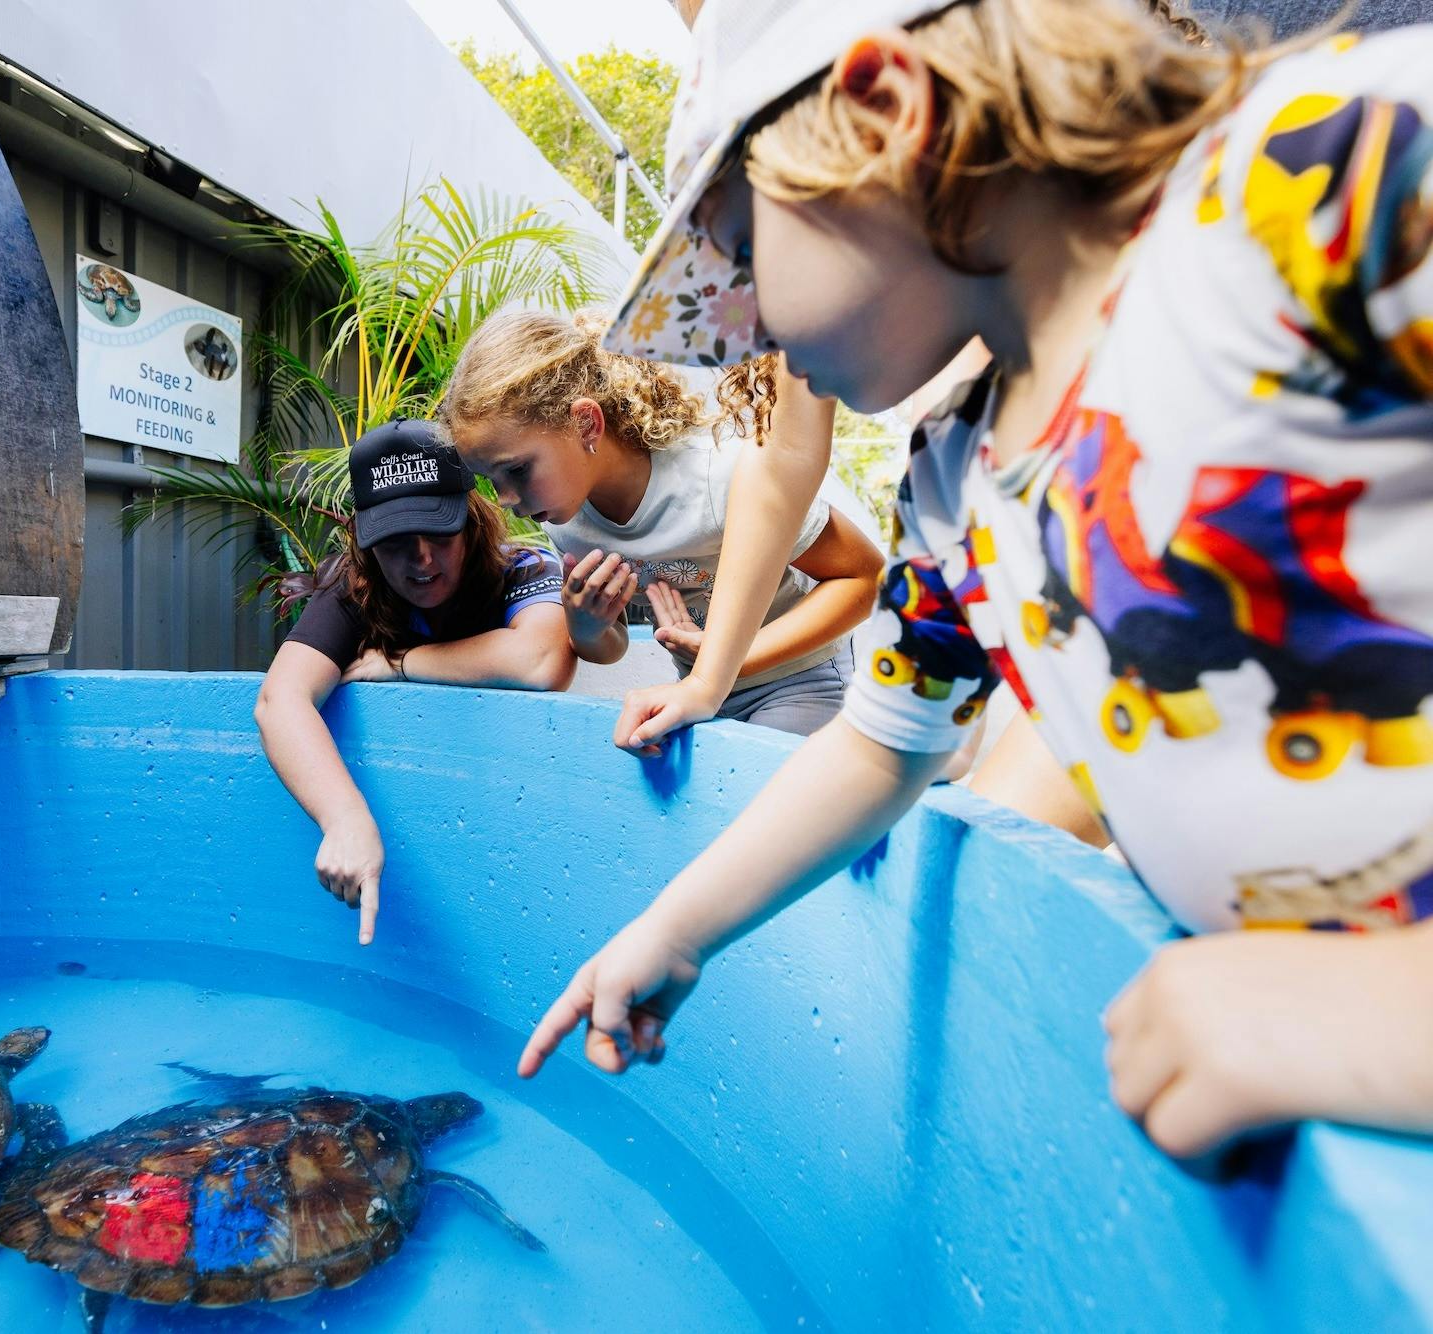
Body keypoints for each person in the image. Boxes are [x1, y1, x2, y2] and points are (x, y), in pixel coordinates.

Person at [520, 0, 1433, 1160]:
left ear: (883, 111)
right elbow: (880, 741)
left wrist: (1376, 1010)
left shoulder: (1316, 182)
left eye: (745, 255)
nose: (736, 330)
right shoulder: (955, 474)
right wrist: (678, 928)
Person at [443, 308, 884, 740]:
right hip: (700, 691)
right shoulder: (565, 521)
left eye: (517, 471)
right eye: (491, 480)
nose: (506, 501)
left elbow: (864, 578)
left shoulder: (716, 480)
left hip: (798, 681)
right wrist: (587, 627)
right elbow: (610, 647)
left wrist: (729, 661)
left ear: (586, 423)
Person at [255, 419, 573, 946]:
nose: (422, 558)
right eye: (397, 540)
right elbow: (279, 699)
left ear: (471, 520)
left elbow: (542, 662)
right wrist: (344, 819)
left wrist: (403, 662)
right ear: (365, 539)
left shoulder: (521, 566)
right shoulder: (354, 587)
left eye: (439, 532)